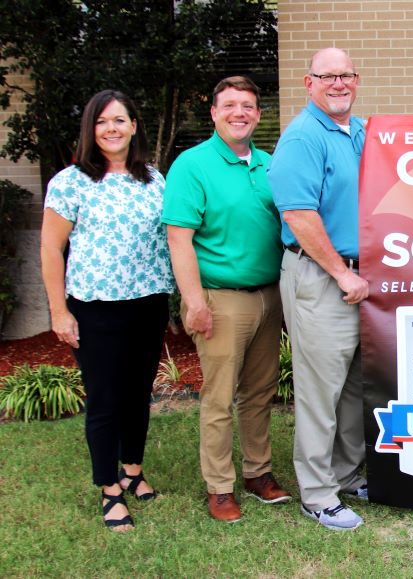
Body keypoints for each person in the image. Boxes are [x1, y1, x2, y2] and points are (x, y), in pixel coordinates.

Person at [41, 90, 174, 532]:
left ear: (135, 125)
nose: (112, 129)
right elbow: (51, 248)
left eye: (120, 120)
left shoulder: (154, 178)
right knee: (104, 400)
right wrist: (59, 311)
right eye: (102, 122)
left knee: (138, 393)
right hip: (95, 308)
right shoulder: (71, 181)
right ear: (90, 130)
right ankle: (109, 490)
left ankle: (132, 471)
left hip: (149, 302)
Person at [163, 76, 291, 523]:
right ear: (214, 113)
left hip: (269, 295)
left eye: (249, 106)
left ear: (258, 114)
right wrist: (194, 301)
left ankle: (258, 473)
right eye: (230, 105)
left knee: (260, 393)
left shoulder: (267, 164)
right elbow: (179, 238)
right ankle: (220, 486)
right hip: (220, 299)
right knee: (219, 398)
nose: (240, 113)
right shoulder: (192, 165)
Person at [267, 47, 367, 531]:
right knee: (319, 391)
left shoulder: (361, 131)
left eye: (345, 74)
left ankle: (346, 476)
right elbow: (298, 215)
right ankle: (317, 493)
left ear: (357, 79)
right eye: (327, 76)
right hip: (322, 277)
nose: (338, 83)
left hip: (361, 278)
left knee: (352, 389)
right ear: (309, 83)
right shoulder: (303, 137)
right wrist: (342, 272)